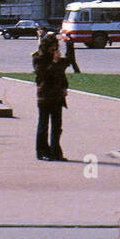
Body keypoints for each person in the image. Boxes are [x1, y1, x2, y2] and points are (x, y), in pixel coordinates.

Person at [33, 32, 69, 161]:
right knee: (43, 125)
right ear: (46, 47)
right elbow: (43, 76)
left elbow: (62, 74)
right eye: (52, 49)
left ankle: (55, 152)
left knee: (57, 126)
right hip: (45, 96)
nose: (54, 51)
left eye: (56, 48)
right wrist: (54, 62)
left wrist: (64, 87)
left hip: (57, 96)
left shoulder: (57, 59)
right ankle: (42, 151)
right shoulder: (38, 58)